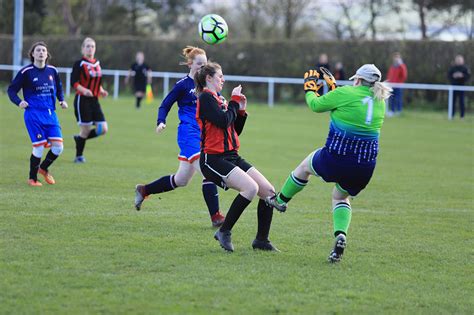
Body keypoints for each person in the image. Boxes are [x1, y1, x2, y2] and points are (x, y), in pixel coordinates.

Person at [267, 64, 392, 263]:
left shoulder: (345, 93)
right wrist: (334, 88)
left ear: (358, 80)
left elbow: (316, 106)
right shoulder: (380, 101)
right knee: (340, 197)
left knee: (304, 168)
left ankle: (280, 201)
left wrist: (309, 89)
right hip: (364, 165)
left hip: (337, 156)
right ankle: (340, 235)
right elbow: (349, 105)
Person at [134, 46, 225, 227]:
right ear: (190, 64)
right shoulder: (183, 85)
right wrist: (161, 121)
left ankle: (144, 190)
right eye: (199, 64)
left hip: (204, 134)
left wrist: (224, 105)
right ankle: (216, 217)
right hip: (188, 134)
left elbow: (218, 105)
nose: (202, 67)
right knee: (208, 171)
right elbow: (165, 104)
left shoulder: (208, 85)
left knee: (181, 179)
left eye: (205, 64)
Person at [195, 62, 278, 252]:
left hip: (232, 156)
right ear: (209, 78)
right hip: (213, 159)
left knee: (268, 192)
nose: (223, 79)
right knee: (250, 188)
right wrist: (233, 102)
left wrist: (240, 110)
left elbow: (234, 130)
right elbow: (223, 121)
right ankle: (224, 231)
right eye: (220, 76)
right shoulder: (206, 98)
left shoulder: (219, 99)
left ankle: (261, 240)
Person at [7, 41, 68, 186]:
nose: (41, 53)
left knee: (59, 147)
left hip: (50, 114)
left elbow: (58, 87)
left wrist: (62, 100)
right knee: (39, 147)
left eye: (43, 51)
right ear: (32, 54)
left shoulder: (53, 71)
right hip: (33, 114)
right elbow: (11, 90)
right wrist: (19, 102)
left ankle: (43, 168)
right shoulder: (26, 72)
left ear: (47, 55)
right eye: (38, 50)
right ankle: (32, 179)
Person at [71, 37, 109, 163]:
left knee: (103, 129)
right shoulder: (79, 64)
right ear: (83, 49)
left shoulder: (97, 63)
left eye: (92, 46)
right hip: (82, 100)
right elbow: (74, 82)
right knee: (85, 130)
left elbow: (97, 82)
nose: (90, 48)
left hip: (94, 100)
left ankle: (79, 139)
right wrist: (84, 90)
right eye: (87, 46)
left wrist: (102, 90)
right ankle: (79, 156)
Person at [448, 55, 471, 119]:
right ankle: (452, 115)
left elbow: (468, 77)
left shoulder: (465, 68)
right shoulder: (452, 68)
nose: (458, 61)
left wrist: (462, 76)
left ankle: (462, 116)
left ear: (463, 61)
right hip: (453, 87)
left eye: (460, 60)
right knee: (452, 102)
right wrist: (454, 76)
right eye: (457, 60)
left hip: (462, 87)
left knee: (462, 102)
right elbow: (449, 76)